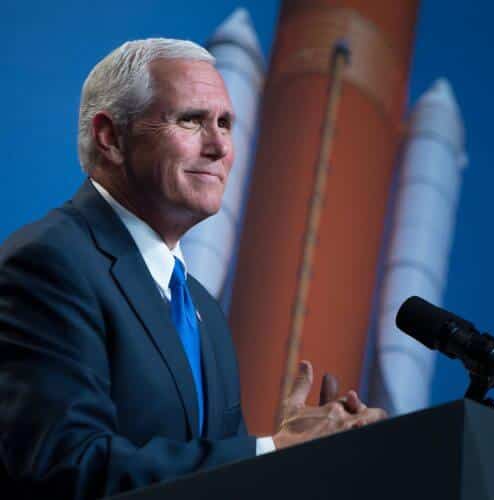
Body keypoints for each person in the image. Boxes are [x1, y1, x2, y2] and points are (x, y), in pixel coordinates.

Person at [0, 38, 386, 499]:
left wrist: (293, 460)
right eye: (191, 120)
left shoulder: (202, 309)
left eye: (225, 123)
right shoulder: (50, 263)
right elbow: (66, 467)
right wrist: (268, 450)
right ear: (111, 137)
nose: (220, 146)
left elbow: (219, 478)